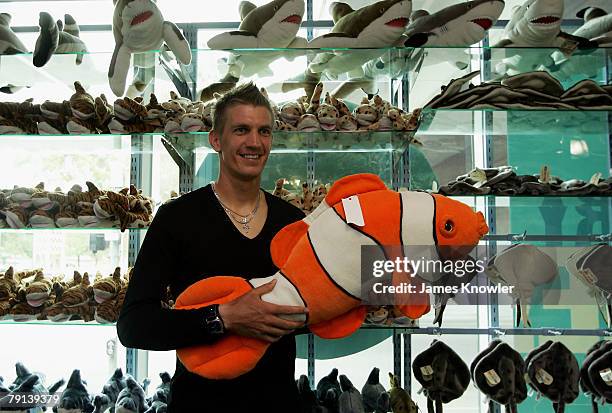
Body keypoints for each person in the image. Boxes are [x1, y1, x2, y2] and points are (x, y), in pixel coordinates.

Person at [117, 82, 308, 412]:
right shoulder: (177, 217)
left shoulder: (293, 221)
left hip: (278, 402)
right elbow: (134, 325)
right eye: (241, 130)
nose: (254, 142)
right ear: (216, 140)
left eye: (264, 131)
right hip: (200, 403)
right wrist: (222, 318)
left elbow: (318, 303)